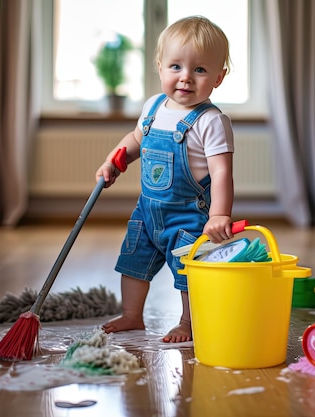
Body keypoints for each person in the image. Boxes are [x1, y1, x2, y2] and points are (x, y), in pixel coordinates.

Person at [95, 16, 235, 343]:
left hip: (188, 216)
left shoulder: (212, 121)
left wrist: (219, 215)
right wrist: (114, 160)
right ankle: (132, 315)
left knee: (189, 274)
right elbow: (135, 139)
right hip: (147, 211)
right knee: (132, 263)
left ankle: (188, 322)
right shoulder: (154, 107)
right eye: (176, 67)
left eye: (199, 70)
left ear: (218, 77)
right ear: (159, 68)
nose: (185, 77)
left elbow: (221, 172)